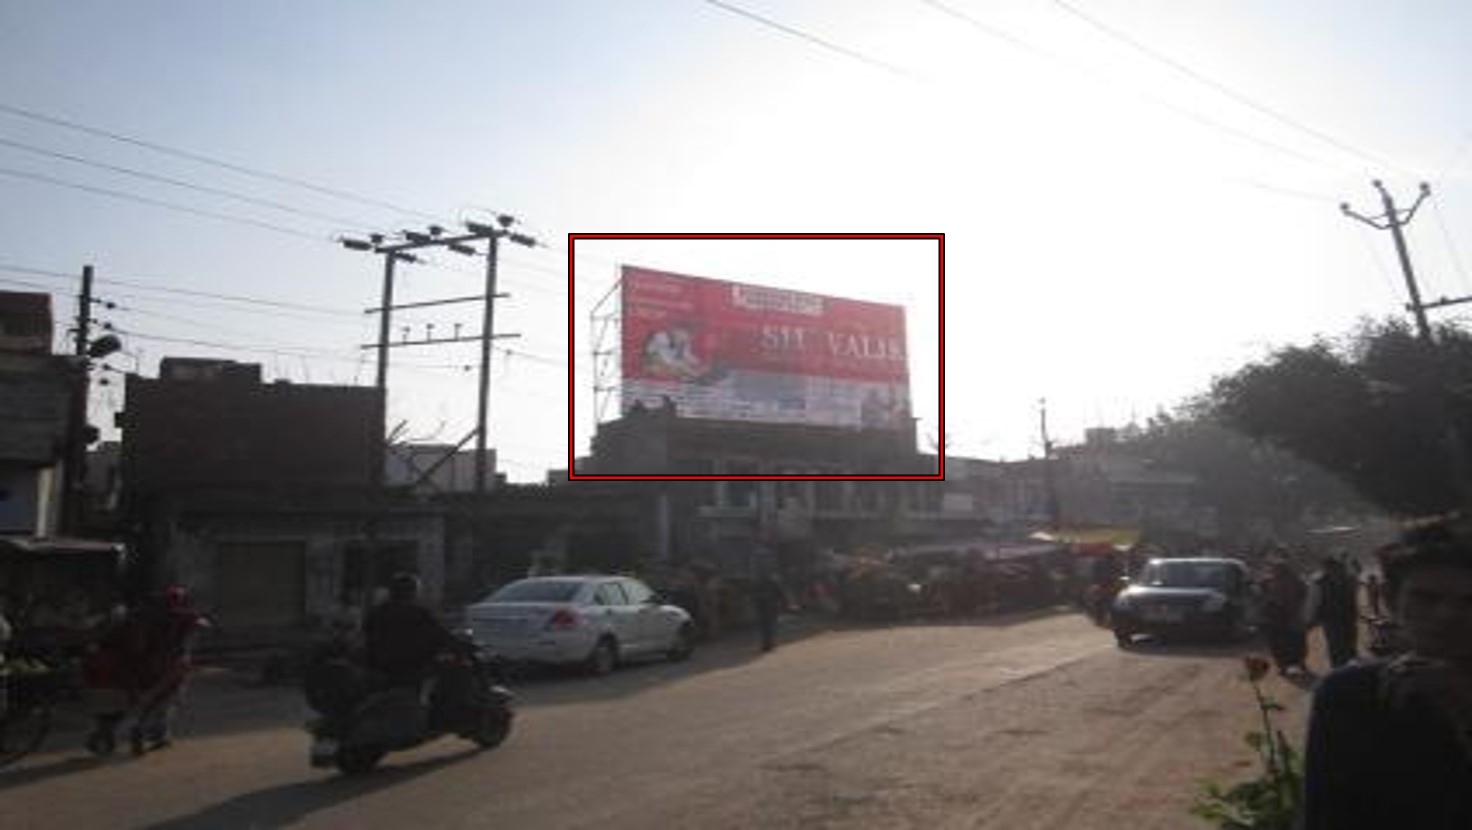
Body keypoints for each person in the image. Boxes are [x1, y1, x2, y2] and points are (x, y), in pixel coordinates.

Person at [1301, 515, 1472, 828]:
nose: (1448, 614)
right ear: (1392, 601)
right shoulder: (1351, 694)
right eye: (1426, 598)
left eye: (1468, 602)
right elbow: (1325, 813)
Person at [362, 572, 456, 687]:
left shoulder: (376, 613)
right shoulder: (420, 614)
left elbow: (366, 636)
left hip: (379, 670)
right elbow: (441, 637)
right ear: (413, 592)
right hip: (412, 672)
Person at [1259, 560, 1311, 676]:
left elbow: (1304, 596)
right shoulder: (1295, 581)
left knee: (1284, 643)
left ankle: (1289, 666)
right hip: (1285, 618)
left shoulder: (1272, 582)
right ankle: (1294, 665)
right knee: (1292, 643)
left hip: (1283, 618)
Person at [1312, 557, 1361, 668]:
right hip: (1330, 619)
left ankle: (1350, 664)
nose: (1332, 570)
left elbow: (1354, 592)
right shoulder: (1320, 582)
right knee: (1335, 644)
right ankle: (1338, 667)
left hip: (1347, 616)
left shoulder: (1348, 579)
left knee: (1349, 641)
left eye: (1334, 567)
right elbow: (1314, 601)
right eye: (1328, 568)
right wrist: (1313, 617)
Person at [752, 571, 786, 653]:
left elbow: (753, 596)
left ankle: (765, 645)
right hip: (771, 608)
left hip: (762, 608)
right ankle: (771, 645)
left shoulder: (758, 583)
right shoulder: (774, 583)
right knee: (771, 627)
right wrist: (784, 603)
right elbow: (781, 594)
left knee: (764, 628)